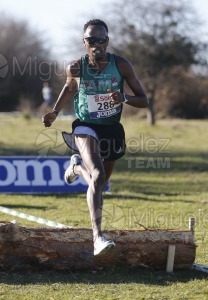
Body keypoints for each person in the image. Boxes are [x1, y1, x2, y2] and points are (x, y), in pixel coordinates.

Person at [42, 19, 148, 256]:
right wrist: (55, 112)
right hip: (85, 126)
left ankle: (77, 167)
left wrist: (124, 97)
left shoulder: (121, 65)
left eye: (101, 39)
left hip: (111, 128)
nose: (97, 44)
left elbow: (144, 100)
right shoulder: (76, 67)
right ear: (84, 42)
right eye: (91, 39)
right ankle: (98, 237)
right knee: (98, 176)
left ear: (107, 41)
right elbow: (70, 87)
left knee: (99, 182)